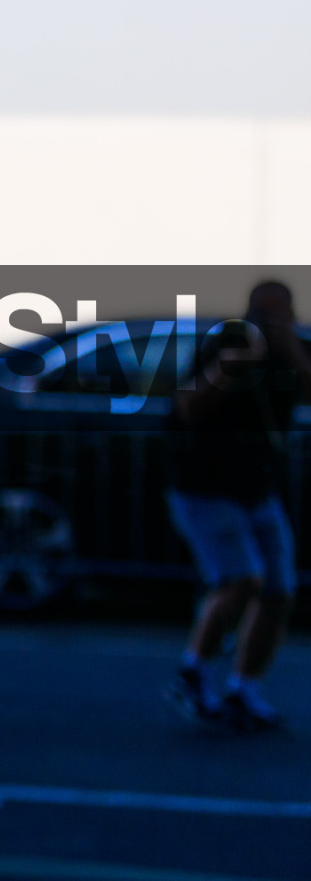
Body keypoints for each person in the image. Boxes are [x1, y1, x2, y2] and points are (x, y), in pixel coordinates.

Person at [163, 280, 309, 733]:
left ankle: (244, 686)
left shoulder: (293, 353)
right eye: (262, 317)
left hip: (258, 488)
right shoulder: (224, 345)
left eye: (277, 317)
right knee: (240, 579)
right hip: (206, 487)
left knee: (279, 590)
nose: (268, 326)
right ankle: (194, 670)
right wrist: (227, 372)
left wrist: (289, 351)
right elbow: (185, 407)